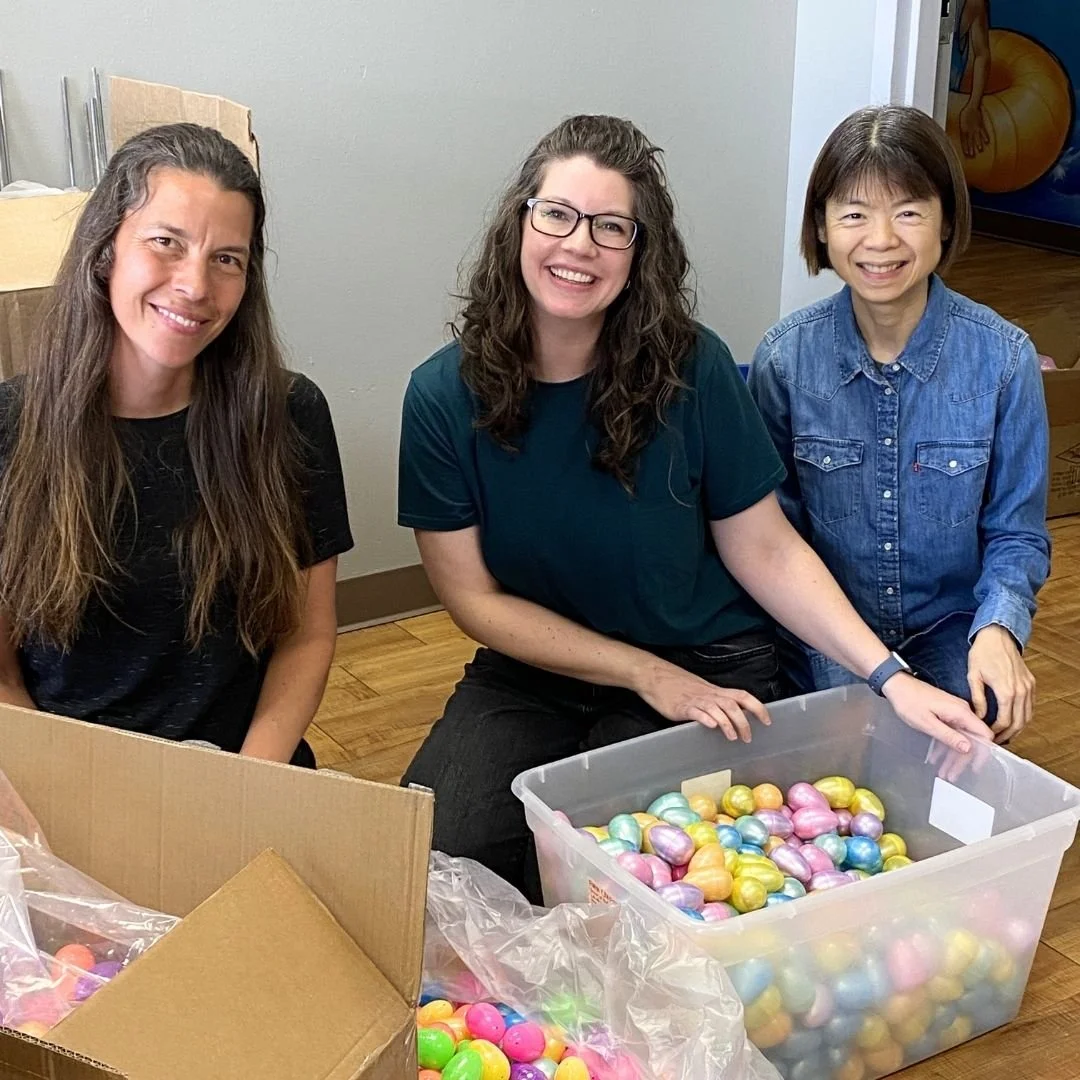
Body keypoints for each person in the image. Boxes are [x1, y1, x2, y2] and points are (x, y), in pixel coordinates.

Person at [397, 114, 989, 900]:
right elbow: (471, 598)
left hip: (706, 666)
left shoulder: (692, 365)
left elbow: (767, 549)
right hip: (540, 667)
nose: (579, 245)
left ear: (641, 253)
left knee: (635, 878)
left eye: (612, 227)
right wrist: (641, 673)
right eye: (557, 215)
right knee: (435, 860)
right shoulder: (442, 394)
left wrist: (889, 675)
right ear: (520, 224)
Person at [0, 124, 353, 765]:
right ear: (105, 248)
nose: (195, 285)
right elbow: (2, 680)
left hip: (245, 767)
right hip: (63, 777)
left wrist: (249, 783)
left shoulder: (289, 413)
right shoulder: (10, 431)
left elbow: (304, 636)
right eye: (166, 242)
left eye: (227, 258)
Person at [748, 105, 1050, 748]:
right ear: (822, 229)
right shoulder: (784, 360)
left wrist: (999, 629)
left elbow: (1017, 533)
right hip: (828, 627)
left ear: (946, 222)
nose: (880, 239)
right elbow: (773, 537)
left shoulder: (1005, 358)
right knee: (847, 769)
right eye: (853, 214)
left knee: (967, 740)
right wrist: (863, 668)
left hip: (949, 625)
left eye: (908, 211)